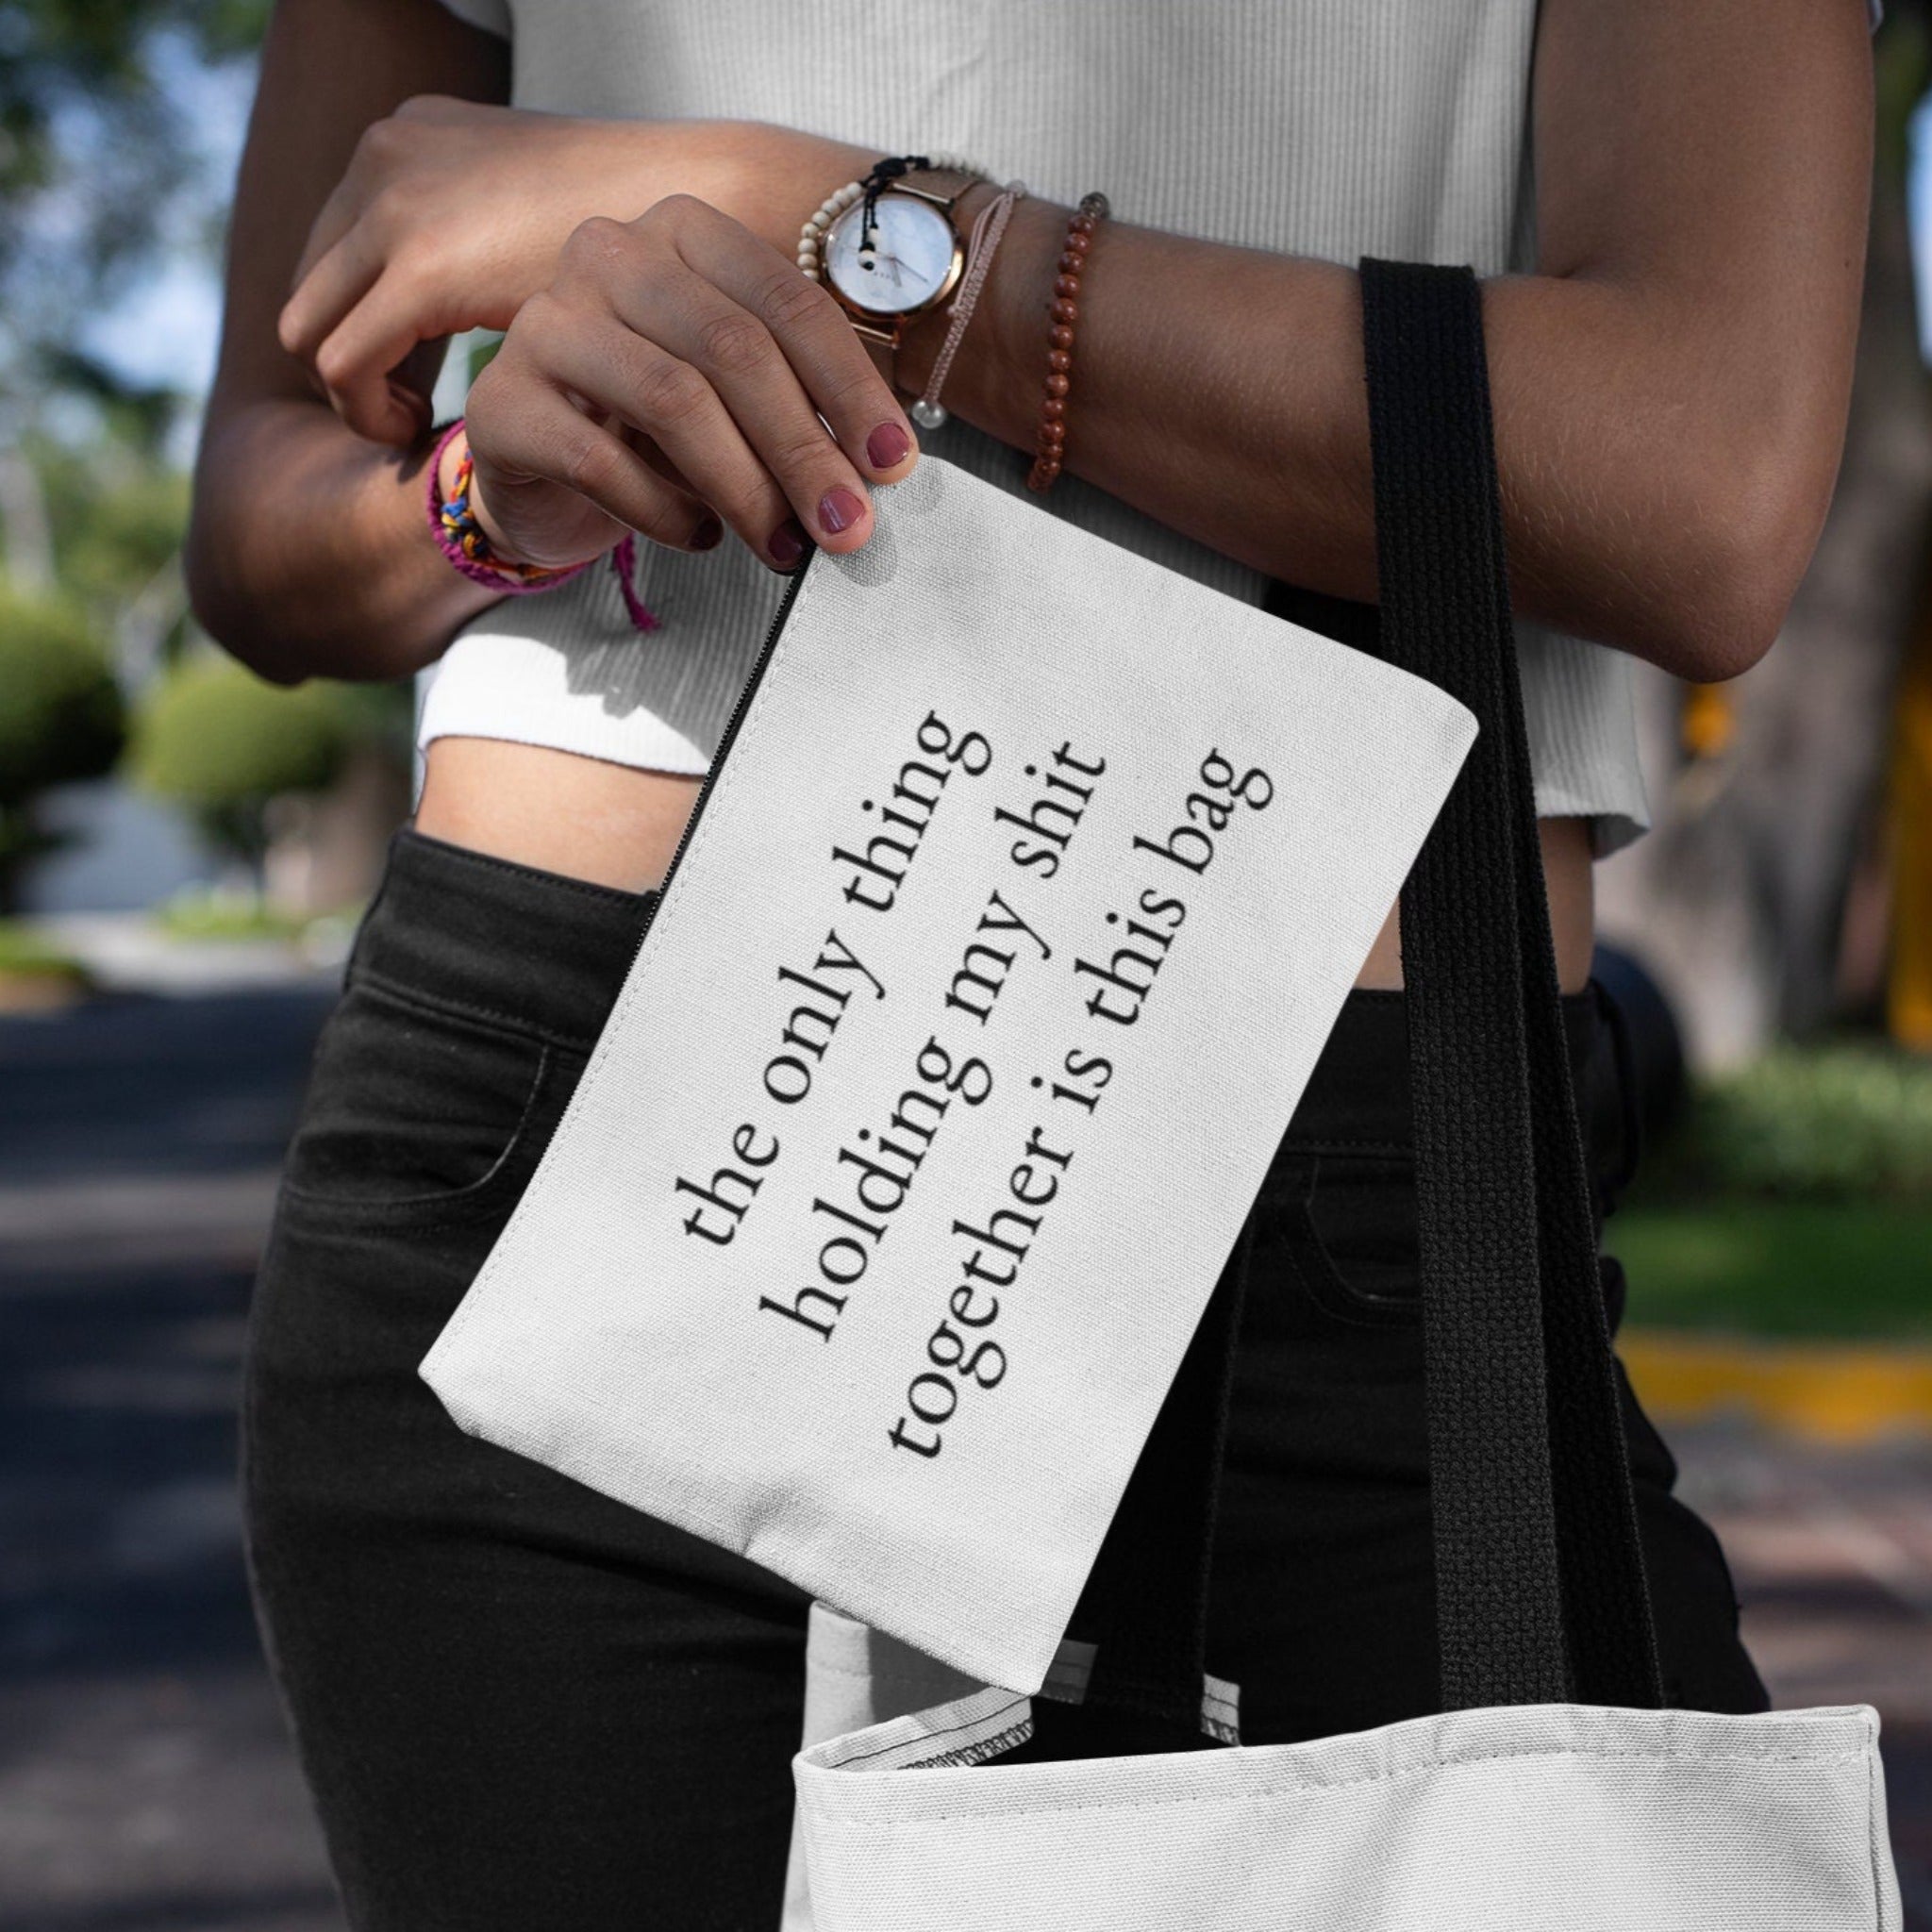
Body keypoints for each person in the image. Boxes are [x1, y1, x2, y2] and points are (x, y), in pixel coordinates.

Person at [186, 1, 1875, 1924]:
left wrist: (832, 230)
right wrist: (483, 491)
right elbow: (259, 517)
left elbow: (1699, 481)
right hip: (564, 1118)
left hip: (1319, 1176)